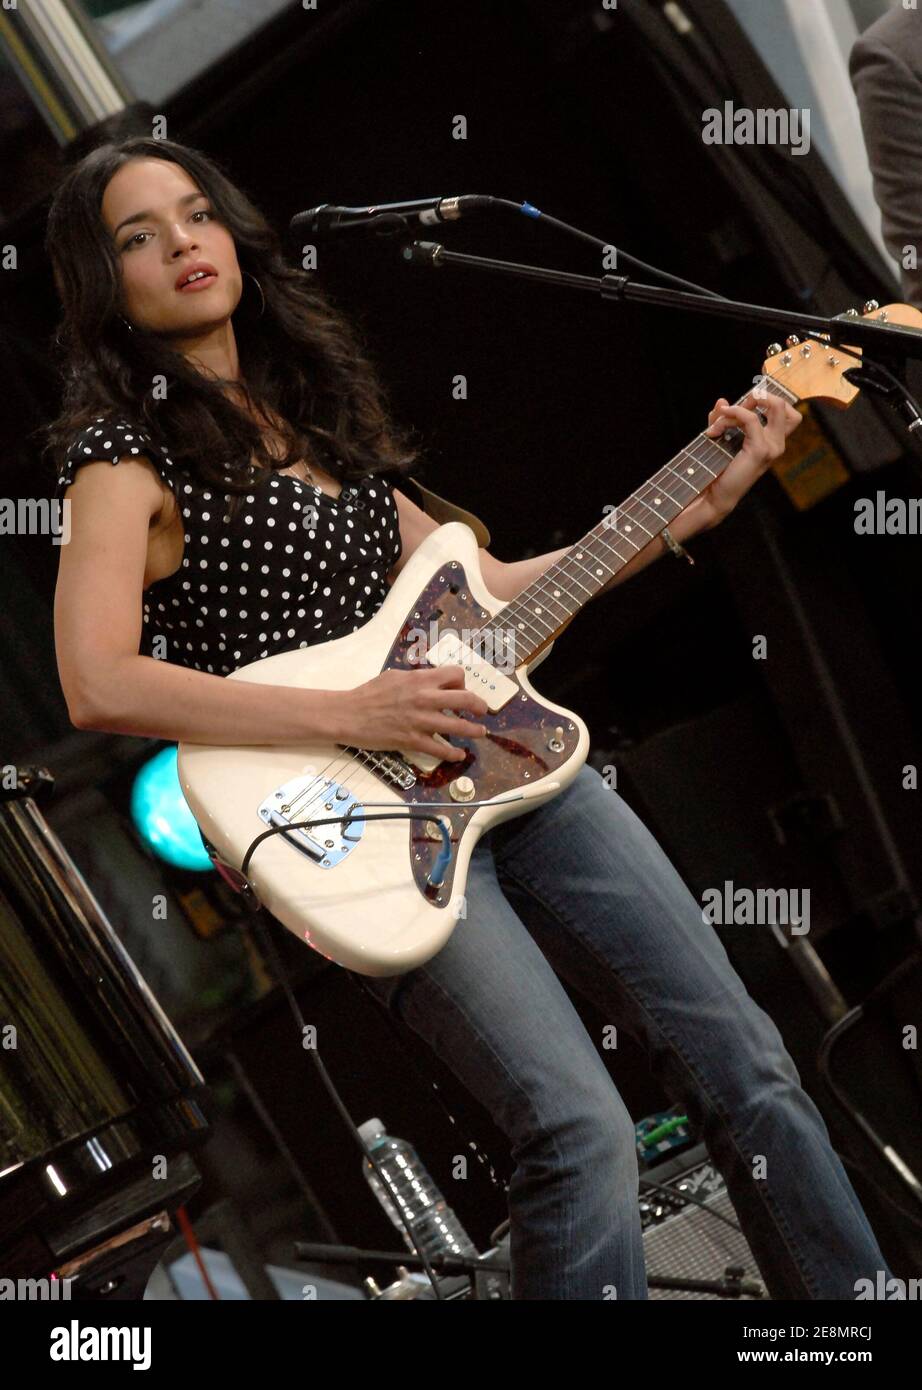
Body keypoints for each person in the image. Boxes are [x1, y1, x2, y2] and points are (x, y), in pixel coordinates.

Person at [48, 136, 891, 1300]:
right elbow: (96, 681)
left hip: (510, 767)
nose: (184, 243)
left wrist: (702, 494)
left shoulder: (316, 416)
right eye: (139, 234)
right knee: (578, 1129)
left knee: (746, 1058)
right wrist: (355, 707)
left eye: (196, 215)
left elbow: (492, 596)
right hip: (355, 823)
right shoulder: (121, 459)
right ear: (103, 280)